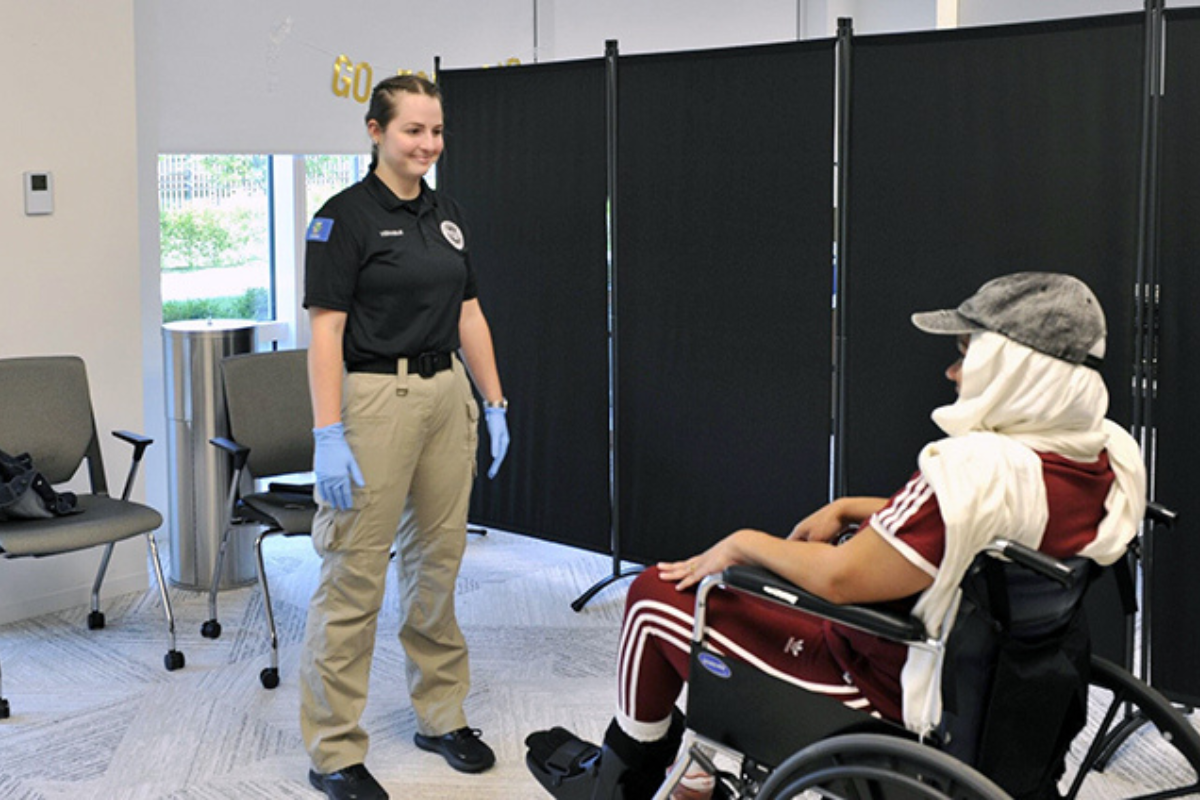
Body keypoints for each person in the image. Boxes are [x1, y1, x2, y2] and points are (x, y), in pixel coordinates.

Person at [525, 272, 1146, 800]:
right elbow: (982, 535)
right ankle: (695, 776)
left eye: (966, 354)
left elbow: (840, 580)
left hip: (887, 678)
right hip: (1004, 677)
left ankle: (618, 781)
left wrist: (741, 543)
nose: (953, 372)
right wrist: (852, 507)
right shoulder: (1098, 455)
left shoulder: (973, 470)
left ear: (1016, 371)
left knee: (657, 595)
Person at [300, 74, 510, 800]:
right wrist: (328, 432)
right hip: (373, 399)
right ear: (374, 131)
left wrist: (494, 399)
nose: (427, 144)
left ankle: (440, 714)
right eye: (412, 130)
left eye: (436, 131)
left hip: (446, 396)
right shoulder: (342, 219)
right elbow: (324, 335)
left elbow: (470, 313)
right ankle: (332, 750)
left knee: (437, 563)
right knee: (354, 574)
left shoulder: (447, 214)